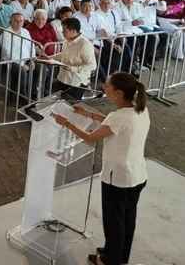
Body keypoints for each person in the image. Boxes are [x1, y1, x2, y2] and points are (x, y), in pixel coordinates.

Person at [52, 72, 150, 265]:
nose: (104, 87)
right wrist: (88, 114)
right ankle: (119, 254)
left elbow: (90, 137)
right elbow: (112, 124)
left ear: (119, 93)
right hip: (137, 175)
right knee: (127, 218)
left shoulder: (118, 117)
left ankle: (109, 260)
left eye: (108, 85)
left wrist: (67, 123)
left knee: (114, 222)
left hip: (118, 179)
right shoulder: (140, 109)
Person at [49, 17, 98, 100]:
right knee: (57, 103)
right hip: (63, 78)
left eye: (65, 30)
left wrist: (73, 68)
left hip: (76, 82)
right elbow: (63, 54)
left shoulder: (85, 44)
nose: (62, 32)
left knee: (70, 105)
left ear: (73, 31)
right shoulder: (66, 40)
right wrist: (49, 58)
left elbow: (92, 66)